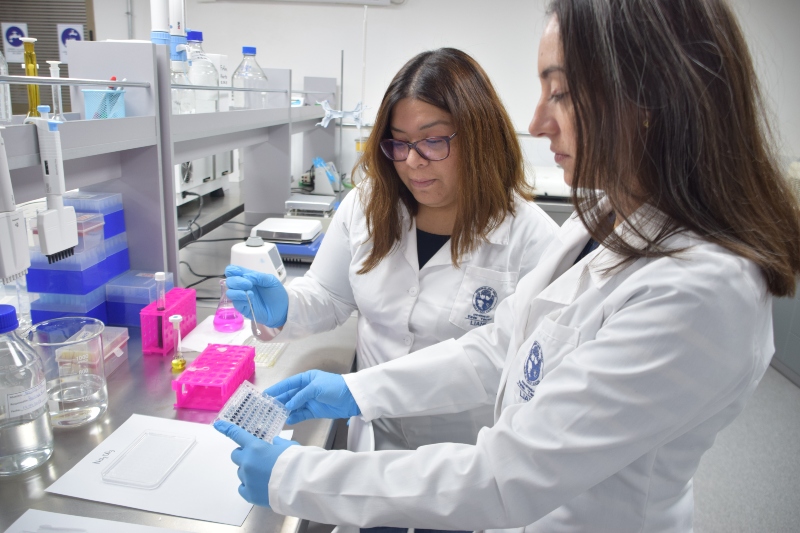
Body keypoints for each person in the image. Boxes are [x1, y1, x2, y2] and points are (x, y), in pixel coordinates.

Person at [216, 0, 800, 531]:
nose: (539, 122)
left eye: (561, 93)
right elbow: (498, 348)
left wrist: (297, 475)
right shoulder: (603, 222)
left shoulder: (699, 289)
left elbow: (507, 476)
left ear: (653, 98)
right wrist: (355, 390)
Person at [225, 48, 558, 456]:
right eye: (399, 143)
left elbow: (507, 362)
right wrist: (284, 309)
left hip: (465, 457)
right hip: (374, 445)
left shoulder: (534, 240)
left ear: (480, 136)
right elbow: (330, 295)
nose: (413, 161)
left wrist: (362, 390)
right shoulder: (368, 205)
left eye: (433, 141)